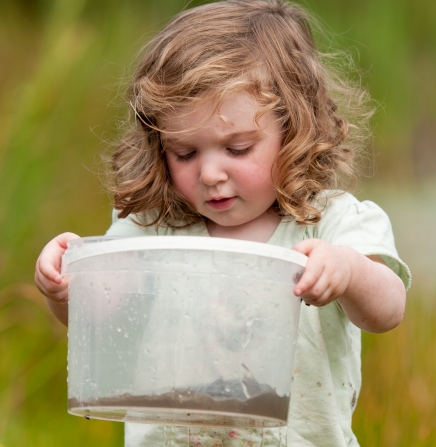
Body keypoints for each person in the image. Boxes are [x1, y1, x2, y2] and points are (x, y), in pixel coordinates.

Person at [34, 1, 411, 446]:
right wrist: (65, 285)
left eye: (236, 148)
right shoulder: (155, 226)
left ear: (294, 129)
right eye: (185, 153)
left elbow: (388, 309)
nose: (210, 174)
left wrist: (348, 271)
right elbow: (96, 314)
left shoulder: (329, 222)